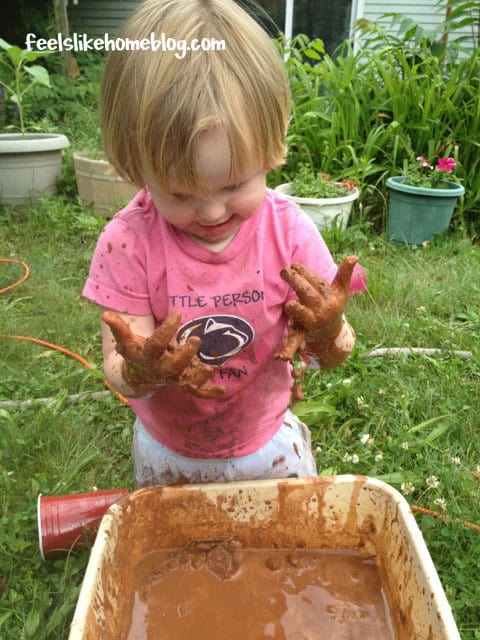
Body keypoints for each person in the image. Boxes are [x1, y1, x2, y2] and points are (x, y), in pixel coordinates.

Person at [82, 0, 367, 488]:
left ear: (269, 148)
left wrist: (327, 330)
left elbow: (331, 354)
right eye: (180, 192)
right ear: (136, 166)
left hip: (269, 443)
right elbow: (116, 367)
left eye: (235, 183)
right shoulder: (128, 244)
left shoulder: (290, 233)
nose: (213, 212)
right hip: (167, 450)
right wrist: (145, 372)